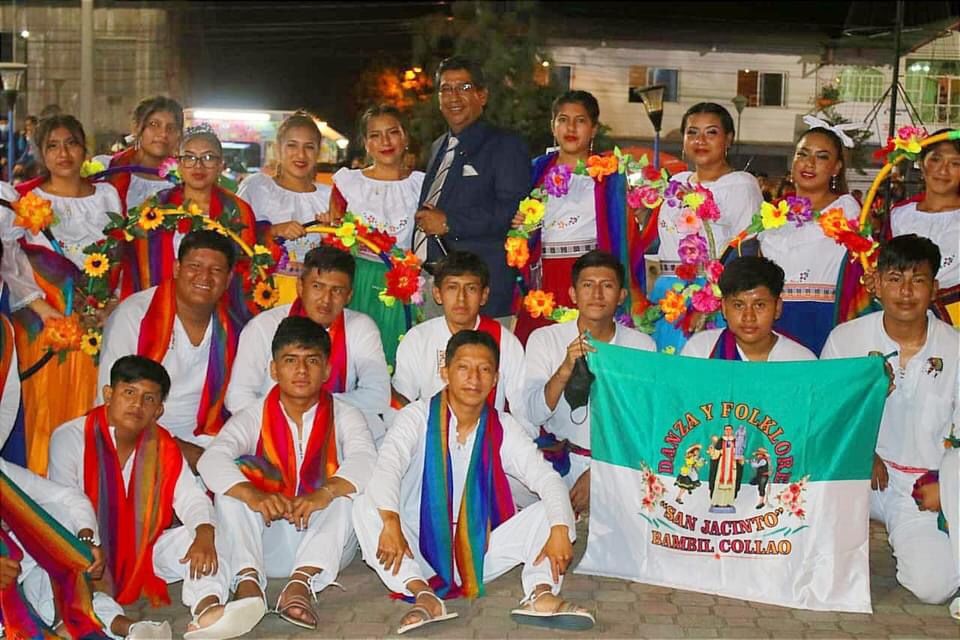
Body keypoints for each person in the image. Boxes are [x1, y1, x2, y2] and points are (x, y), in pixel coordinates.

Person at [353, 330, 595, 634]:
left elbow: (545, 477)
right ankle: (424, 595)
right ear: (445, 373)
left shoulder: (503, 425)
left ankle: (541, 592)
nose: (474, 378)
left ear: (495, 379)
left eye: (484, 369)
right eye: (464, 368)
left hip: (480, 547)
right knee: (365, 506)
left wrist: (560, 529)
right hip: (416, 543)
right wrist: (390, 522)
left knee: (553, 510)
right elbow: (388, 466)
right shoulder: (416, 417)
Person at [49, 356, 264, 639]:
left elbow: (190, 498)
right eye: (129, 392)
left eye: (148, 398)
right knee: (59, 579)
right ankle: (129, 628)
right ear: (108, 394)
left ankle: (208, 610)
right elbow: (65, 506)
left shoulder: (162, 444)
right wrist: (87, 544)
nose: (137, 404)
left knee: (209, 534)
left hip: (145, 550)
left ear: (159, 409)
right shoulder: (71, 437)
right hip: (89, 548)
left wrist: (203, 532)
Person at [199, 316, 378, 631]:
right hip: (264, 541)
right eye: (290, 360)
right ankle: (248, 584)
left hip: (323, 543)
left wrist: (324, 493)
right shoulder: (252, 415)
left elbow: (366, 459)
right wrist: (254, 495)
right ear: (274, 369)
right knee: (232, 491)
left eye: (312, 361)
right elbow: (211, 459)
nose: (301, 370)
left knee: (345, 496)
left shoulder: (346, 415)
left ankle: (300, 586)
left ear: (327, 370)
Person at [822, 234, 959, 607]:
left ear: (934, 288)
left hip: (923, 487)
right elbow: (825, 417)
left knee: (935, 586)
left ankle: (913, 536)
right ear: (877, 284)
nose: (906, 292)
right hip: (858, 477)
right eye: (895, 279)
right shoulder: (846, 340)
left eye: (918, 280)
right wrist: (860, 451)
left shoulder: (955, 347)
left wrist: (947, 488)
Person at [0, 115, 122, 474]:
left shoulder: (108, 195)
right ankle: (40, 496)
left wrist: (109, 306)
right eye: (52, 146)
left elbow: (119, 255)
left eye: (70, 143)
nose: (63, 153)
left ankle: (87, 494)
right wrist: (43, 309)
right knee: (44, 411)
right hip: (45, 327)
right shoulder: (26, 201)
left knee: (92, 407)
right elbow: (12, 263)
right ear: (41, 153)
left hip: (98, 325)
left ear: (84, 148)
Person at [98, 230, 245, 470]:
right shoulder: (135, 315)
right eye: (195, 266)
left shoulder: (235, 326)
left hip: (208, 439)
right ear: (177, 268)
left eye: (216, 270)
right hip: (137, 436)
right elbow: (113, 406)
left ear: (228, 279)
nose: (204, 277)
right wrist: (177, 449)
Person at [521, 250, 655, 513]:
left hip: (620, 464)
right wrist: (565, 369)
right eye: (587, 285)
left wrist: (599, 473)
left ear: (621, 296)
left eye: (607, 286)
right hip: (561, 461)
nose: (597, 294)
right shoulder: (545, 339)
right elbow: (535, 413)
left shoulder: (642, 346)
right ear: (573, 294)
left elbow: (644, 423)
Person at [513, 90, 644, 343]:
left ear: (594, 129)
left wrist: (641, 212)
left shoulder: (611, 175)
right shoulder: (535, 170)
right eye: (563, 119)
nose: (571, 128)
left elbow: (628, 237)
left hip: (592, 278)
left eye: (580, 120)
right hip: (547, 279)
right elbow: (521, 236)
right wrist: (523, 228)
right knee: (542, 348)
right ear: (553, 125)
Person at [225, 245, 390, 441]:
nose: (326, 300)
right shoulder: (264, 326)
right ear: (300, 287)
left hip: (337, 428)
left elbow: (378, 395)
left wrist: (311, 408)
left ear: (349, 296)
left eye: (337, 290)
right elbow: (238, 396)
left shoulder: (360, 327)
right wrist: (285, 421)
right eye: (317, 287)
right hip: (272, 431)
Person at [414, 56, 529, 321]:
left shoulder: (504, 145)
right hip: (432, 285)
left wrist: (449, 223)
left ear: (482, 95)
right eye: (446, 89)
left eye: (464, 87)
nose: (453, 96)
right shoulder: (438, 146)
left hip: (479, 292)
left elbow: (511, 211)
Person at [650, 102, 764, 353]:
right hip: (668, 295)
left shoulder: (741, 185)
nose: (700, 140)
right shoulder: (677, 182)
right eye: (692, 132)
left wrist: (712, 301)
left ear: (729, 139)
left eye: (711, 132)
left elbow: (745, 254)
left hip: (711, 298)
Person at [116, 124, 258, 313]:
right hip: (159, 308)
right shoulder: (156, 207)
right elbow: (138, 263)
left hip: (219, 311)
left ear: (220, 166)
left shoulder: (237, 210)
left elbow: (246, 269)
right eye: (189, 157)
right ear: (179, 164)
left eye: (208, 158)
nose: (198, 165)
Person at [326, 105, 425, 366]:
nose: (385, 142)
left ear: (405, 137)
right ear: (366, 143)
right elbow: (335, 237)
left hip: (402, 285)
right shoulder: (348, 184)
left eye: (393, 132)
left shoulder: (421, 185)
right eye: (375, 135)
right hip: (357, 281)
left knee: (397, 356)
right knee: (355, 356)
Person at [758, 123, 865, 355]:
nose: (809, 163)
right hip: (772, 322)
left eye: (822, 157)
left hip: (824, 319)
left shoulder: (846, 209)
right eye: (803, 154)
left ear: (836, 167)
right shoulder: (772, 213)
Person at [392, 250, 527, 430]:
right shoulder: (418, 339)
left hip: (487, 440)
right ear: (437, 294)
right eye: (452, 287)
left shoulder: (505, 342)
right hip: (430, 439)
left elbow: (523, 411)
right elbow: (400, 404)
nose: (461, 298)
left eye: (471, 288)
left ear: (484, 295)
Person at [237, 111, 331, 304]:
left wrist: (331, 236)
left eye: (309, 147)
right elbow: (236, 237)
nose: (301, 155)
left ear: (318, 152)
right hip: (264, 296)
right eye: (292, 145)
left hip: (314, 302)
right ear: (278, 148)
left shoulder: (329, 196)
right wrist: (273, 231)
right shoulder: (257, 187)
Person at [888, 128, 960, 328]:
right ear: (921, 163)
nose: (943, 170)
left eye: (955, 163)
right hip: (905, 313)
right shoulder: (899, 214)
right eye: (935, 160)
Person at [680, 256, 816, 361]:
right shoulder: (701, 351)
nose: (749, 317)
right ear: (724, 308)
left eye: (759, 305)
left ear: (777, 308)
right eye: (738, 305)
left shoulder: (801, 360)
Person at [92, 96, 183, 213]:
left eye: (171, 128)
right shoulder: (104, 169)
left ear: (178, 135)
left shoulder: (187, 179)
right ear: (136, 128)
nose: (163, 134)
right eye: (154, 124)